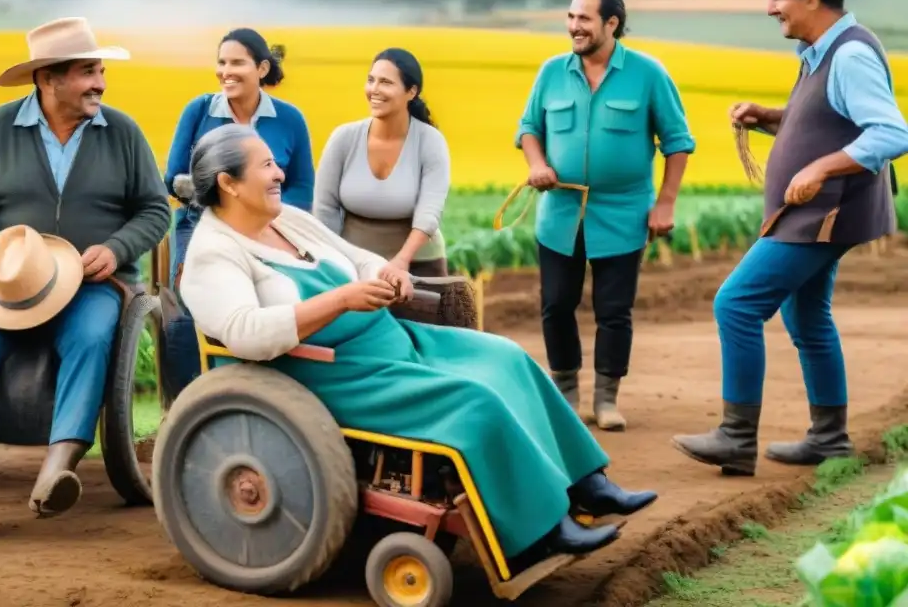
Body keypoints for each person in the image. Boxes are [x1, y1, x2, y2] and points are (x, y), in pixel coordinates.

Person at [178, 123, 659, 568]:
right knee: (474, 400)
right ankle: (543, 530)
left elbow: (357, 257)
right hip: (334, 374)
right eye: (265, 166)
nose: (280, 172)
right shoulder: (213, 254)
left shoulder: (288, 220)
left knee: (507, 358)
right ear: (229, 183)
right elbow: (245, 333)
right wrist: (343, 299)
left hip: (392, 340)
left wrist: (383, 273)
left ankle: (587, 484)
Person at [0, 17, 171, 540]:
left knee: (92, 336)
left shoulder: (122, 133)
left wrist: (116, 248)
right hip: (10, 287)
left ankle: (57, 471)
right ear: (48, 80)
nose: (100, 82)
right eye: (87, 73)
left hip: (94, 284)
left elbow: (154, 210)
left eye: (100, 71)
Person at [673, 0, 908, 477]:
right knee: (807, 316)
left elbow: (893, 133)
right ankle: (829, 438)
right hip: (824, 213)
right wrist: (771, 117)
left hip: (821, 213)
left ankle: (735, 437)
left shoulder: (847, 54)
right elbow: (829, 119)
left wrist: (821, 168)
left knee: (735, 304)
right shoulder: (821, 51)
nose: (770, 7)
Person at [515, 0, 696, 431]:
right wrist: (537, 163)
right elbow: (528, 128)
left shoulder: (648, 74)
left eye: (584, 19)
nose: (574, 26)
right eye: (571, 17)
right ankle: (566, 392)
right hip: (559, 212)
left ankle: (607, 399)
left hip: (623, 211)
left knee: (614, 310)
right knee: (556, 304)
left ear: (611, 23)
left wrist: (665, 203)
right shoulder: (552, 72)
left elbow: (678, 142)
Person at [161, 28, 314, 400]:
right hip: (201, 225)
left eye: (236, 63)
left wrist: (260, 217)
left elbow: (302, 189)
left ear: (262, 68)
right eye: (221, 62)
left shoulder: (289, 119)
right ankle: (186, 405)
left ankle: (264, 400)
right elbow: (173, 178)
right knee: (187, 306)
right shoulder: (199, 111)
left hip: (270, 231)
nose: (225, 71)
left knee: (273, 305)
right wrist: (227, 204)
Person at [313, 48, 451, 278]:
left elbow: (429, 212)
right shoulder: (344, 138)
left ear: (411, 92)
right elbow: (324, 208)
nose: (374, 89)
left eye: (386, 82)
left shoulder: (430, 141)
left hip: (419, 264)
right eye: (371, 80)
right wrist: (335, 262)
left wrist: (402, 260)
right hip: (353, 264)